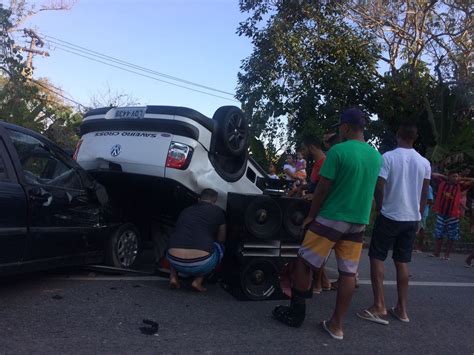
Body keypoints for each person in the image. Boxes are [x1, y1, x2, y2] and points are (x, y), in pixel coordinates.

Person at [272, 108, 382, 341]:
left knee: (303, 261)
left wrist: (311, 216)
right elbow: (377, 190)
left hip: (332, 217)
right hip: (358, 221)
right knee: (348, 273)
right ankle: (336, 326)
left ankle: (296, 313)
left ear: (345, 127)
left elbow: (322, 188)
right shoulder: (376, 156)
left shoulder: (338, 151)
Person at [357, 122, 430, 325]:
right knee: (402, 261)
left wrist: (381, 207)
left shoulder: (388, 157)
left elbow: (379, 187)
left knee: (377, 257)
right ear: (415, 138)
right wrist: (418, 216)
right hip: (411, 218)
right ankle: (402, 309)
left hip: (390, 215)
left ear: (398, 134)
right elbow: (424, 193)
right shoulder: (424, 162)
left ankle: (379, 305)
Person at [166, 188, 226, 292]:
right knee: (220, 247)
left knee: (176, 242)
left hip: (174, 259)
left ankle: (173, 277)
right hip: (200, 263)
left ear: (199, 199)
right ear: (214, 201)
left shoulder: (186, 210)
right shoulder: (218, 212)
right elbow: (222, 238)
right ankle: (198, 281)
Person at [431, 171, 474, 260]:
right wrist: (445, 176)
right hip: (441, 213)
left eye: (457, 176)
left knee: (452, 235)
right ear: (449, 177)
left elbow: (473, 180)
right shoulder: (442, 183)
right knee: (438, 234)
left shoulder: (460, 186)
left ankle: (447, 255)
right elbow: (433, 174)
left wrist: (461, 178)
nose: (456, 178)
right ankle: (436, 253)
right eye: (454, 176)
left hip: (453, 215)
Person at [414, 184, 434, 253]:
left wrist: (419, 202)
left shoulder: (428, 187)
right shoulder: (416, 183)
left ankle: (420, 247)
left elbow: (430, 200)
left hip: (423, 211)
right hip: (414, 210)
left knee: (421, 229)